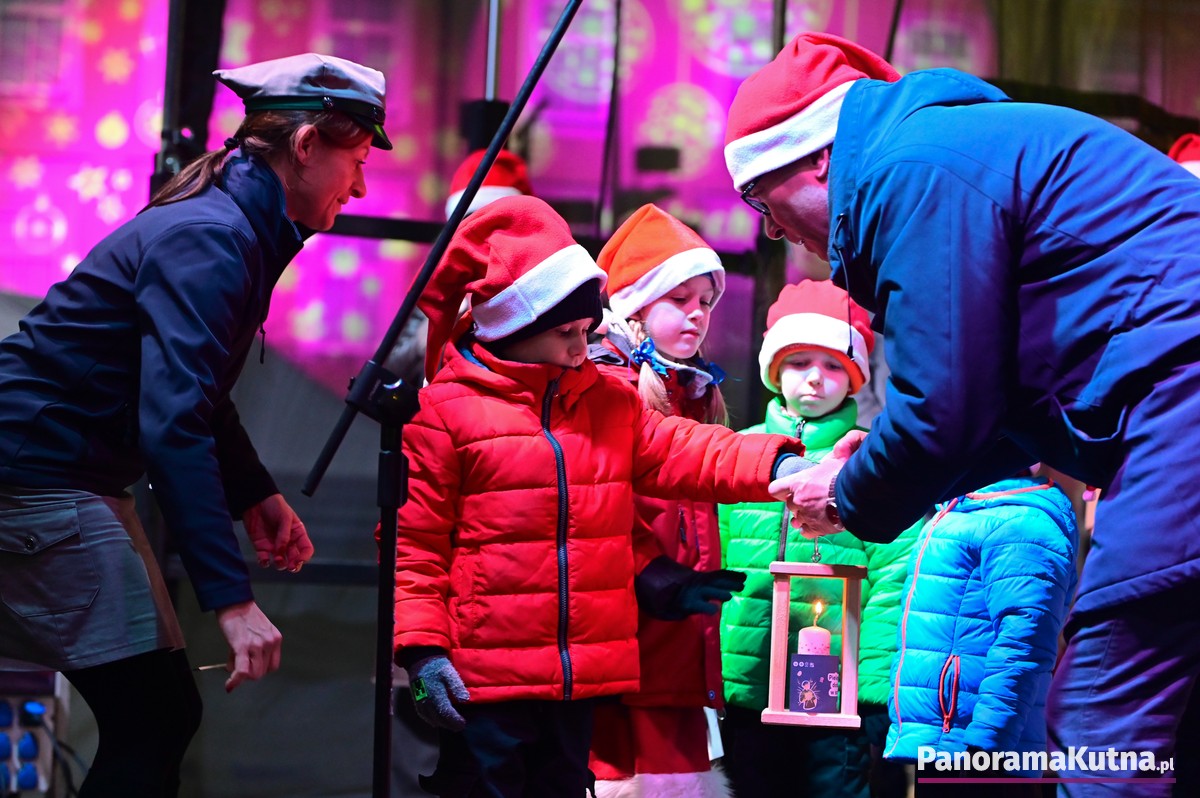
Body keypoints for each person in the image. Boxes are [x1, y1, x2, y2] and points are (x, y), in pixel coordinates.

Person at [724, 31, 1200, 795]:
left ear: (816, 158)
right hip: (1171, 401)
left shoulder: (910, 170)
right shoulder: (951, 152)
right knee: (1174, 726)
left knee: (1105, 717)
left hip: (1180, 404)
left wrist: (845, 495)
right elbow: (984, 410)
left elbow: (944, 409)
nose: (773, 230)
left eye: (760, 199)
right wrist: (871, 462)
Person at [0, 52, 389, 796]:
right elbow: (173, 421)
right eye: (359, 159)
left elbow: (194, 393)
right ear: (307, 144)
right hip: (37, 474)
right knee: (154, 717)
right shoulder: (213, 235)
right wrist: (232, 602)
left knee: (158, 714)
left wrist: (254, 493)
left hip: (58, 471)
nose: (362, 185)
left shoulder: (230, 223)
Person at [391, 195, 804, 798]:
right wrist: (422, 652)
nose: (580, 349)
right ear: (513, 327)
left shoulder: (605, 402)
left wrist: (780, 462)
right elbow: (413, 547)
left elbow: (685, 448)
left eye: (586, 332)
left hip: (577, 684)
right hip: (484, 684)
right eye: (565, 334)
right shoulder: (444, 416)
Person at [718, 279, 914, 798]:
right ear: (774, 368)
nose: (815, 377)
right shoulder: (739, 453)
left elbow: (896, 576)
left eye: (833, 366)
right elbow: (712, 555)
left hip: (835, 693)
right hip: (746, 682)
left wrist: (872, 691)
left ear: (853, 380)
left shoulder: (871, 463)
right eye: (800, 361)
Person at [586, 203, 736, 797]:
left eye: (706, 301)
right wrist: (657, 579)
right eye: (679, 298)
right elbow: (600, 514)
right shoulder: (608, 389)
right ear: (637, 306)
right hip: (628, 643)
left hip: (677, 641)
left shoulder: (692, 392)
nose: (698, 313)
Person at [885, 473, 1078, 798]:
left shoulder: (1021, 522)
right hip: (948, 740)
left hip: (978, 749)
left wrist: (988, 745)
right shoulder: (965, 506)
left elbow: (1024, 646)